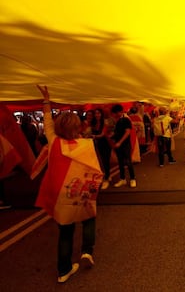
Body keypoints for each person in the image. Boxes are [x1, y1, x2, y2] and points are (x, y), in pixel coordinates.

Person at [35, 85, 103, 283]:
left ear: (58, 127)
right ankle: (86, 251)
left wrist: (46, 100)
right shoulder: (85, 144)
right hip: (80, 190)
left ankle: (63, 270)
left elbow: (47, 121)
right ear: (77, 127)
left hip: (59, 193)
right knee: (89, 217)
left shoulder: (53, 140)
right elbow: (95, 169)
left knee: (65, 230)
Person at [111, 104, 137, 188]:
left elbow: (127, 132)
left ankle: (132, 179)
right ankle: (122, 179)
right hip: (119, 145)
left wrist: (120, 142)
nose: (116, 114)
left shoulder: (125, 119)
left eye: (117, 112)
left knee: (128, 162)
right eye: (115, 113)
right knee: (120, 162)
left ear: (121, 111)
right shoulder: (117, 121)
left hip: (125, 144)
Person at [91, 108, 112, 190]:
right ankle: (107, 175)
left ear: (101, 114)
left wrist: (94, 136)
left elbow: (103, 134)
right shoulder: (94, 123)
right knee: (100, 161)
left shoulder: (105, 122)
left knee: (105, 161)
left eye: (98, 113)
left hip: (106, 143)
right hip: (97, 144)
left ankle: (106, 179)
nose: (97, 115)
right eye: (95, 113)